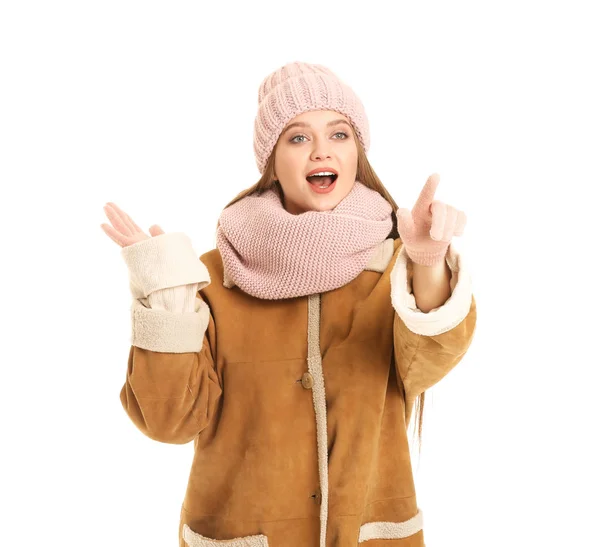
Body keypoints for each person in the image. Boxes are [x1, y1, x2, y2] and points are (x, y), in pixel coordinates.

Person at [101, 61, 477, 547]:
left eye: (339, 134)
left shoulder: (394, 265)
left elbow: (425, 366)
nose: (322, 149)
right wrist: (167, 297)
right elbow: (170, 421)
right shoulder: (218, 275)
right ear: (271, 160)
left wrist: (427, 263)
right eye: (298, 138)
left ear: (357, 151)